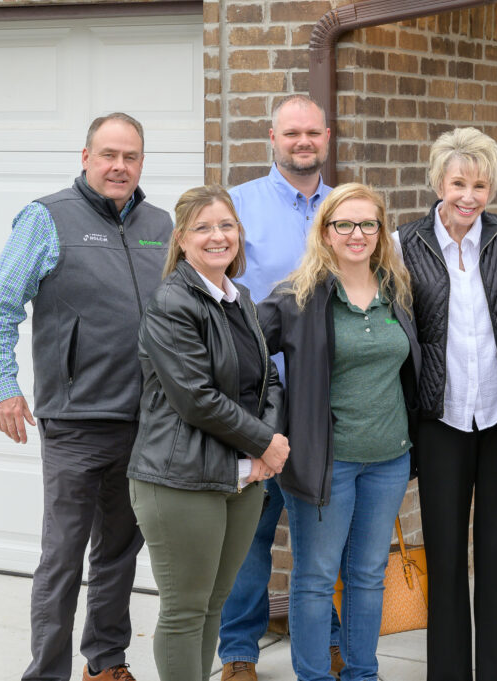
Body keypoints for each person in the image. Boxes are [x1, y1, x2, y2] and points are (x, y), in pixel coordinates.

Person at [0, 112, 173, 681]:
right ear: (86, 157)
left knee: (119, 554)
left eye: (130, 156)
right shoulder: (47, 218)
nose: (119, 166)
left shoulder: (161, 224)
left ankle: (105, 662)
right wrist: (2, 386)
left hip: (144, 423)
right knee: (62, 558)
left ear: (142, 163)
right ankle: (47, 673)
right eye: (108, 154)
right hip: (74, 423)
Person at [257, 182, 421, 681]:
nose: (357, 234)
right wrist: (270, 424)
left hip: (389, 460)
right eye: (344, 224)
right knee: (315, 578)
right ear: (325, 232)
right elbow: (244, 357)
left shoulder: (397, 291)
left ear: (381, 231)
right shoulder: (297, 297)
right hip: (325, 464)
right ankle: (312, 675)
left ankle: (361, 674)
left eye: (368, 223)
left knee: (368, 575)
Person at [127, 185, 288, 680]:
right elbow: (195, 398)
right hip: (181, 477)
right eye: (203, 228)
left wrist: (264, 450)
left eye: (226, 225)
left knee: (215, 604)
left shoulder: (240, 299)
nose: (217, 236)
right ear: (181, 238)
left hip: (241, 476)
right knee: (185, 610)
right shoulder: (172, 302)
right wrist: (264, 442)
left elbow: (269, 379)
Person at [394, 127, 497, 681]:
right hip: (441, 419)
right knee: (446, 553)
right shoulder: (405, 242)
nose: (469, 196)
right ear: (438, 183)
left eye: (480, 185)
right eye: (458, 183)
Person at [218, 94, 343, 681]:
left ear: (327, 137)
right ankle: (239, 652)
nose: (303, 142)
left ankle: (328, 639)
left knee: (322, 532)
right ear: (272, 137)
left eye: (312, 132)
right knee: (249, 533)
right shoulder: (238, 207)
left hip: (325, 401)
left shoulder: (344, 209)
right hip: (256, 399)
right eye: (291, 133)